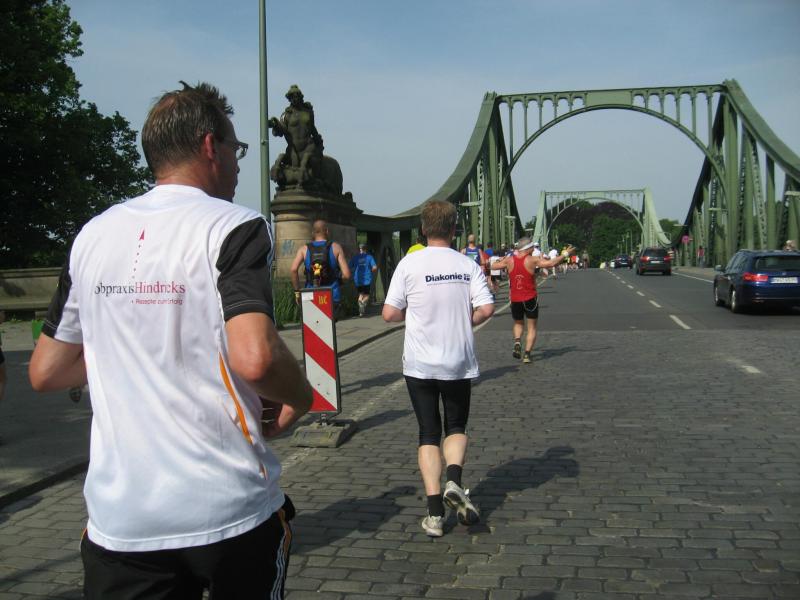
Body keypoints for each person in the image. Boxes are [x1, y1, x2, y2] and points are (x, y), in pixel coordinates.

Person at [28, 81, 313, 599]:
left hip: (122, 520)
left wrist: (129, 347)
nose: (238, 165)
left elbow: (47, 371)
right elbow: (255, 357)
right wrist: (302, 395)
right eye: (235, 149)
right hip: (228, 509)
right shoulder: (235, 226)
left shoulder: (92, 234)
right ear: (210, 147)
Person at [382, 200, 494, 538]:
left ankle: (434, 515)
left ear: (423, 229)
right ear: (454, 229)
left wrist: (414, 313)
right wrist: (465, 319)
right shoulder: (467, 264)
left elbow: (389, 313)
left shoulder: (409, 264)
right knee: (455, 425)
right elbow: (487, 308)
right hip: (457, 361)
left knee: (428, 433)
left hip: (419, 364)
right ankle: (454, 481)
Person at [495, 237, 574, 364]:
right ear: (528, 248)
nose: (534, 249)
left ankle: (517, 341)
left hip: (515, 299)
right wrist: (565, 254)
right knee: (531, 328)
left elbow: (493, 265)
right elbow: (551, 263)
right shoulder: (532, 260)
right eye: (532, 247)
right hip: (530, 298)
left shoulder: (510, 260)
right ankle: (527, 355)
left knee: (518, 323)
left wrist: (501, 260)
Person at [289, 219, 351, 314]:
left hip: (310, 295)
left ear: (313, 232)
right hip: (332, 294)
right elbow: (347, 275)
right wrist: (338, 281)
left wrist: (297, 292)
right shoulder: (336, 247)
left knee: (312, 322)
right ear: (327, 231)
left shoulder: (304, 249)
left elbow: (293, 270)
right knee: (330, 322)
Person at [349, 243, 378, 316]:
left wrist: (354, 270)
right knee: (367, 295)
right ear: (365, 249)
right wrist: (371, 270)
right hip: (366, 279)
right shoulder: (369, 257)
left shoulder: (355, 257)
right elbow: (374, 267)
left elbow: (350, 267)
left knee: (361, 294)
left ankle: (361, 312)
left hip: (357, 279)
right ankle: (362, 303)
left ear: (359, 250)